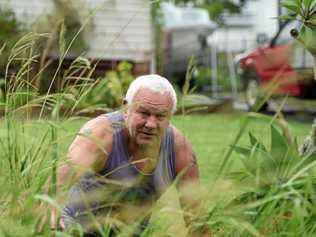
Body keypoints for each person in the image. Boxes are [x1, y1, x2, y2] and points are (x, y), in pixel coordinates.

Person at [53, 74, 199, 236]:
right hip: (77, 231)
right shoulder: (100, 134)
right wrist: (50, 215)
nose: (150, 124)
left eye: (160, 116)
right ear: (125, 109)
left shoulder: (178, 148)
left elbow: (197, 219)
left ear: (170, 116)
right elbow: (58, 184)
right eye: (143, 113)